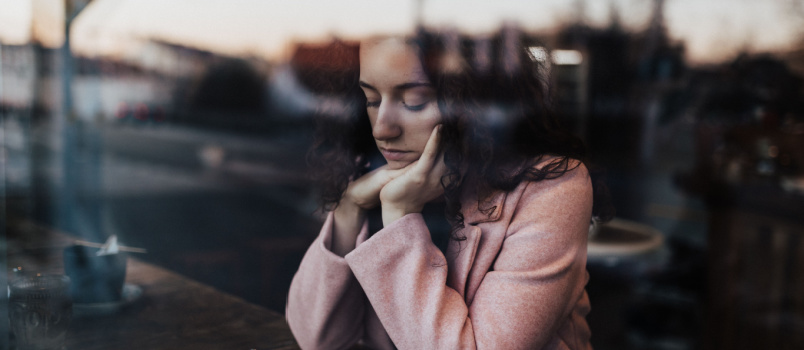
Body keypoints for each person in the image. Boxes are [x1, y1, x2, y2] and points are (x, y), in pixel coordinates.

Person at [287, 28, 603, 350]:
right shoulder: (369, 174)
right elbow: (317, 338)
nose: (382, 128)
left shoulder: (552, 187)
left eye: (414, 102)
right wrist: (348, 210)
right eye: (371, 99)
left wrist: (399, 217)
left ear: (477, 103)